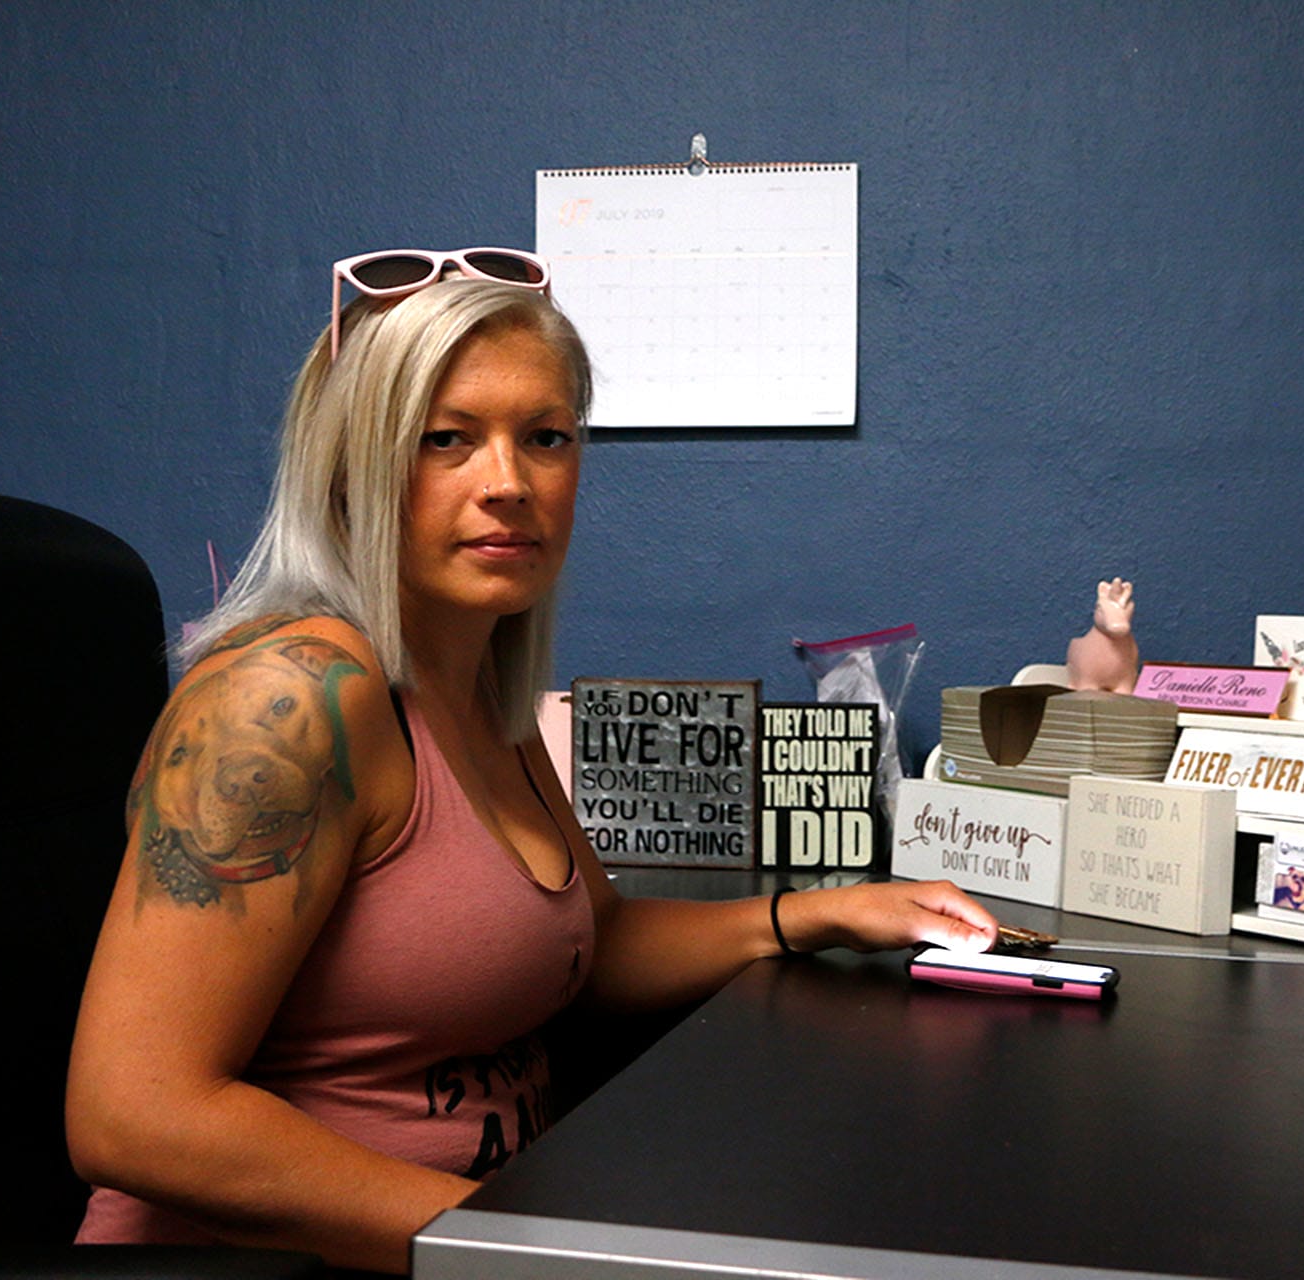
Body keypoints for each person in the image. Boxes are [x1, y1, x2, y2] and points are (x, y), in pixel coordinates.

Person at [65, 248, 999, 1274]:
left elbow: (587, 944)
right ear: (351, 462)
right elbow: (133, 1116)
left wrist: (815, 912)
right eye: (445, 440)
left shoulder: (472, 676)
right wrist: (527, 1244)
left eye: (544, 437)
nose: (507, 482)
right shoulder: (288, 699)